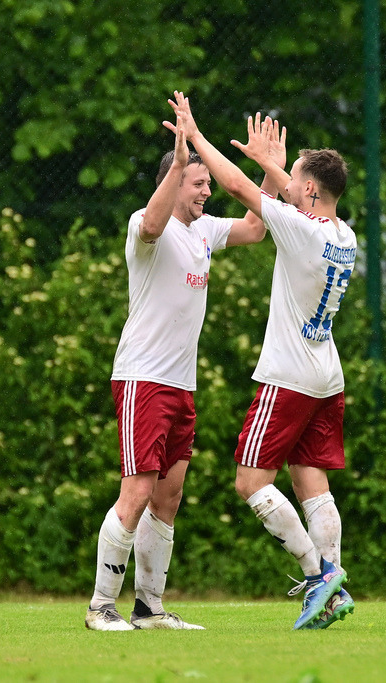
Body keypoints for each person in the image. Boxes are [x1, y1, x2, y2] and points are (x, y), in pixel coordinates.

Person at [85, 108, 283, 631]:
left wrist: (265, 167)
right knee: (138, 492)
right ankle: (100, 607)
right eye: (198, 183)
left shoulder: (204, 232)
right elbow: (152, 223)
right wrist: (178, 163)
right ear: (173, 184)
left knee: (168, 497)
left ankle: (149, 608)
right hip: (142, 380)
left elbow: (256, 227)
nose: (206, 192)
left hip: (181, 386)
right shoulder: (145, 227)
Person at [166, 91, 357, 630]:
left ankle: (320, 575)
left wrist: (197, 139)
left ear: (310, 191)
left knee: (250, 482)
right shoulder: (344, 234)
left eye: (295, 179)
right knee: (310, 479)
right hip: (327, 375)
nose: (288, 184)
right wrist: (275, 163)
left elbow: (237, 189)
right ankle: (334, 586)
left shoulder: (298, 227)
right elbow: (292, 197)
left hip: (289, 376)